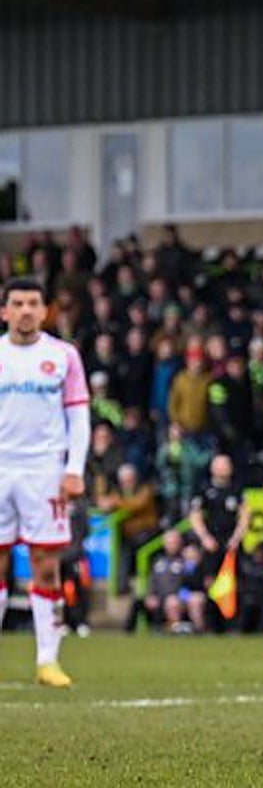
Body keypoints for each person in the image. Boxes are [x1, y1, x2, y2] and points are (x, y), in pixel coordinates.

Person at [0, 278, 91, 687]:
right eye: (17, 303)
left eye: (32, 303)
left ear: (44, 310)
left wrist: (75, 469)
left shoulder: (63, 355)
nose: (25, 310)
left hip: (45, 472)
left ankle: (47, 659)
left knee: (46, 564)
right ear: (4, 311)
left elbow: (79, 416)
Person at [188, 454, 250, 603]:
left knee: (235, 580)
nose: (224, 468)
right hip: (212, 541)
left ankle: (233, 619)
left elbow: (245, 515)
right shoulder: (203, 488)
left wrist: (237, 538)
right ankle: (211, 617)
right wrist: (204, 538)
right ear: (212, 468)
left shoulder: (237, 488)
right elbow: (195, 516)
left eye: (227, 465)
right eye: (220, 465)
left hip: (232, 541)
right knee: (210, 580)